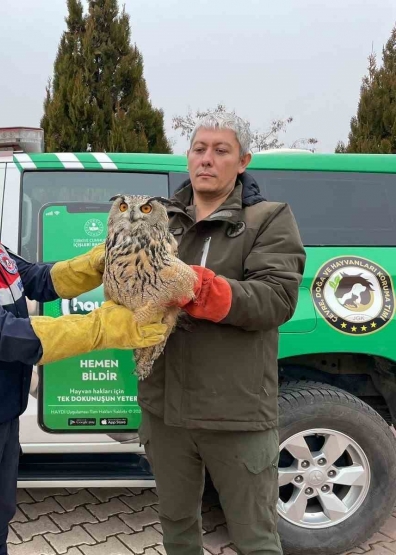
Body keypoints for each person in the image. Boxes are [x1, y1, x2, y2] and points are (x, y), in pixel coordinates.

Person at [0, 137, 169, 555]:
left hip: (0, 423)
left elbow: (38, 279)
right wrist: (102, 328)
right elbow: (3, 336)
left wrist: (99, 260)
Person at [137, 112, 306, 555]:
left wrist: (200, 288)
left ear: (243, 161)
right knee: (176, 527)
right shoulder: (160, 220)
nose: (206, 159)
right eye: (198, 149)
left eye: (221, 150)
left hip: (236, 413)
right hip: (165, 410)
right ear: (187, 157)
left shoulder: (268, 219)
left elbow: (275, 299)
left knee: (255, 536)